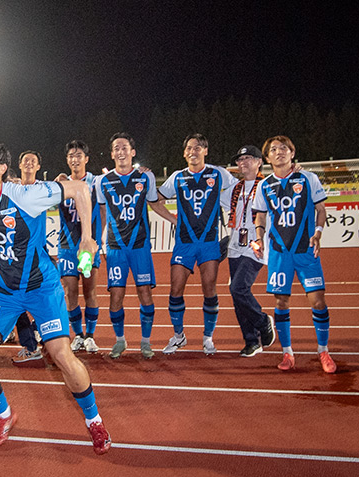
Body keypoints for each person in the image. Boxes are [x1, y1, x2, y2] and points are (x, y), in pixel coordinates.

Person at [0, 140, 111, 453]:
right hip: (4, 292)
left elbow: (80, 188)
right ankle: (5, 415)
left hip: (42, 288)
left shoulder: (26, 195)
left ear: (1, 169)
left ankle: (94, 420)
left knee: (61, 354)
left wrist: (87, 238)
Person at [251, 135, 335, 373]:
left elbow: (321, 209)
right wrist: (259, 237)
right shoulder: (264, 185)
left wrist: (318, 233)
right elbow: (261, 215)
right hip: (279, 252)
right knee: (281, 301)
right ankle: (287, 352)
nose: (279, 152)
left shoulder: (308, 178)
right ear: (267, 158)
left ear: (292, 153)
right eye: (273, 150)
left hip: (306, 250)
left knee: (318, 301)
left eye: (284, 148)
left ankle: (323, 351)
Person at [156, 134, 238, 355]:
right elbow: (155, 199)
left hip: (209, 242)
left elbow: (240, 192)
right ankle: (178, 336)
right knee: (175, 289)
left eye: (198, 147)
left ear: (205, 151)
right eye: (189, 148)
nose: (193, 151)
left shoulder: (218, 173)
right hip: (184, 242)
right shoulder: (177, 177)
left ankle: (208, 337)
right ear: (184, 153)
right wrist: (173, 219)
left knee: (209, 288)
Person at [95, 133, 174, 359]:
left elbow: (154, 204)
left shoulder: (146, 177)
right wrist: (95, 240)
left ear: (132, 152)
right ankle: (120, 340)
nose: (120, 152)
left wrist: (175, 220)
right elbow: (102, 212)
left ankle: (146, 342)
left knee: (145, 293)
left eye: (124, 148)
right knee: (115, 296)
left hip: (140, 245)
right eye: (116, 148)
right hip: (115, 247)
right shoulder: (102, 181)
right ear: (112, 154)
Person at [221, 145, 276, 357]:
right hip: (236, 246)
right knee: (237, 296)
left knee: (238, 288)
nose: (242, 163)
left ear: (259, 162)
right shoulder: (235, 188)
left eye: (248, 158)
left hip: (257, 246)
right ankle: (251, 341)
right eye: (239, 159)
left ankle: (263, 322)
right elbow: (213, 199)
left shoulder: (268, 186)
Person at [59, 141, 102, 354]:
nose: (75, 159)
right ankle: (78, 335)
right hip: (67, 246)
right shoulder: (60, 184)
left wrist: (96, 239)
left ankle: (90, 336)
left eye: (78, 155)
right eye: (71, 156)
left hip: (87, 247)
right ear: (67, 160)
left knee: (89, 290)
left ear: (86, 159)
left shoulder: (96, 182)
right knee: (70, 292)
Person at [10, 150, 45, 364]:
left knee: (44, 300)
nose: (29, 163)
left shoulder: (44, 189)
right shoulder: (11, 190)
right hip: (14, 256)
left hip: (38, 256)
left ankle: (40, 337)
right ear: (20, 165)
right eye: (26, 160)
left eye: (33, 161)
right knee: (16, 303)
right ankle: (31, 345)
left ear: (38, 166)